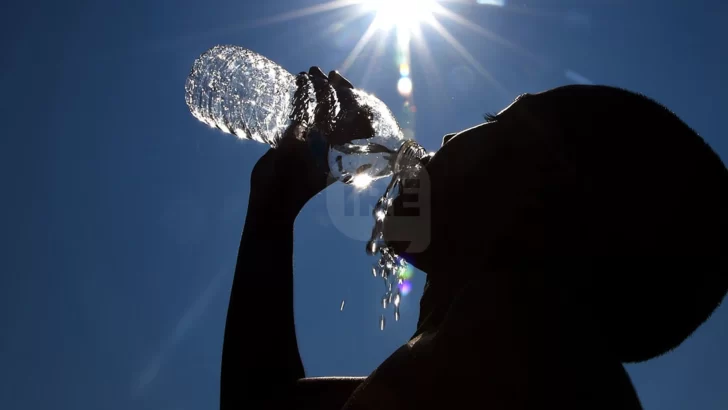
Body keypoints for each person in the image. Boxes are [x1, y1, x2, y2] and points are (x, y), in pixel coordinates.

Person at [219, 68, 728, 410]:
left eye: (495, 124)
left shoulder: (514, 345)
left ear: (537, 200)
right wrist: (273, 204)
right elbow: (266, 399)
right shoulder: (500, 366)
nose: (442, 140)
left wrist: (271, 210)